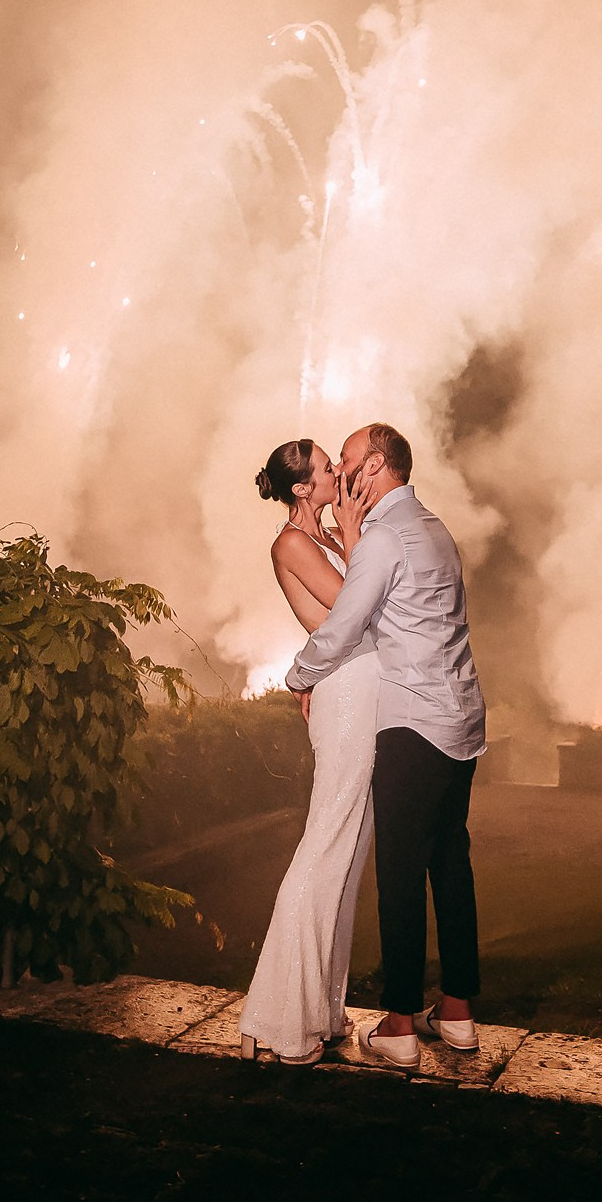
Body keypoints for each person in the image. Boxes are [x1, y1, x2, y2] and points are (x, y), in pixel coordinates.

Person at [285, 422, 485, 1068]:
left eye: (346, 462)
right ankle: (456, 1012)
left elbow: (346, 623)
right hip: (461, 719)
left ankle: (399, 1024)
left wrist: (299, 676)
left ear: (374, 466)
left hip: (412, 722)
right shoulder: (432, 528)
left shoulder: (383, 538)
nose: (341, 474)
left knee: (399, 872)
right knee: (450, 863)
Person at [235, 437, 377, 1065]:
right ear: (301, 488)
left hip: (363, 691)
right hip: (345, 697)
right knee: (326, 848)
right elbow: (354, 607)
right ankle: (278, 1020)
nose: (337, 470)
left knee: (349, 856)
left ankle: (323, 1009)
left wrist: (349, 529)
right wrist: (353, 532)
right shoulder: (292, 543)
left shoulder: (327, 535)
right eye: (326, 467)